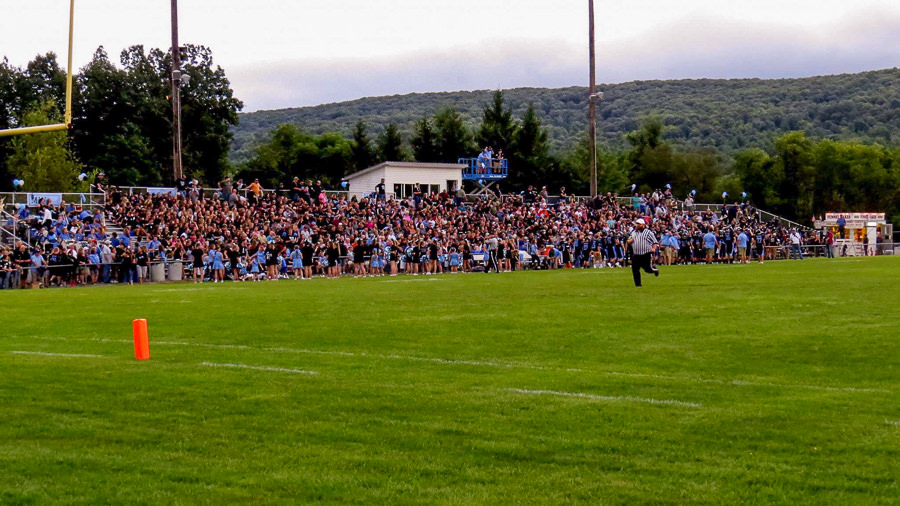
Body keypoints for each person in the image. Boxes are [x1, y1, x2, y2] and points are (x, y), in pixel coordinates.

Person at [626, 218, 659, 287]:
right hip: (636, 254)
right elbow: (628, 240)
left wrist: (653, 248)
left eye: (638, 224)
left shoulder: (648, 232)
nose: (637, 225)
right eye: (636, 224)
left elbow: (655, 242)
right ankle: (638, 284)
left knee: (647, 269)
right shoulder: (634, 232)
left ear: (643, 225)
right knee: (635, 269)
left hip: (645, 254)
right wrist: (630, 241)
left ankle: (654, 270)